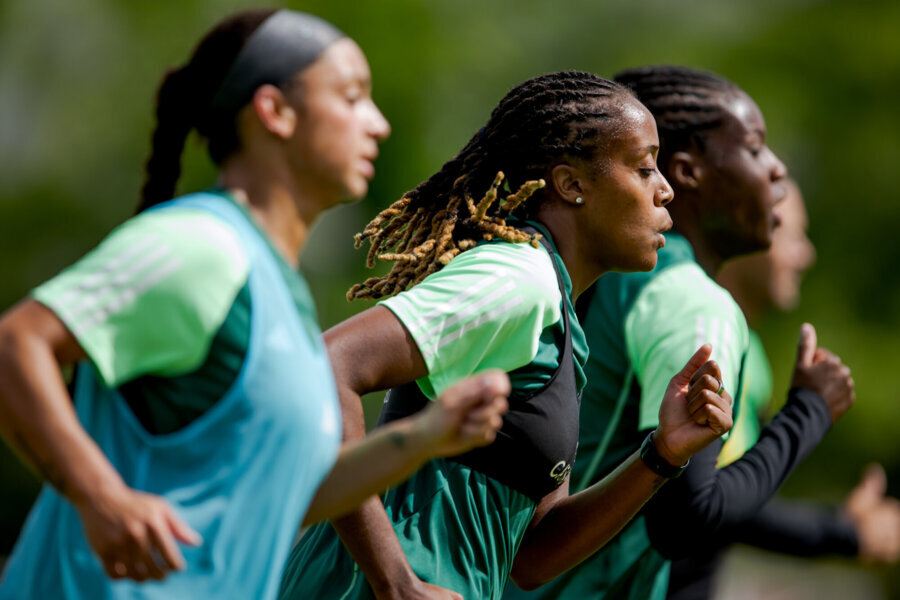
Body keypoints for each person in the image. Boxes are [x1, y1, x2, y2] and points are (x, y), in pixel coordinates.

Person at [0, 9, 512, 599]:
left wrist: (425, 436)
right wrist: (102, 496)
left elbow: (290, 493)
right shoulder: (203, 246)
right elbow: (20, 343)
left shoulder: (278, 290)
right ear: (274, 111)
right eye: (350, 98)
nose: (378, 124)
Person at [278, 70, 734, 600]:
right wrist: (395, 580)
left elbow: (534, 557)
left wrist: (661, 454)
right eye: (644, 167)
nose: (666, 189)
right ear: (571, 184)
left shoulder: (557, 317)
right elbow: (329, 365)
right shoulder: (518, 278)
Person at [503, 65, 856, 600]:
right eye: (756, 148)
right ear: (689, 172)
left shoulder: (620, 276)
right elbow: (686, 519)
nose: (778, 170)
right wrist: (808, 413)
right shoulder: (691, 301)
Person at [696, 178, 900, 597]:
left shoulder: (751, 353)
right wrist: (842, 533)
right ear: (739, 231)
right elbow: (703, 504)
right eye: (789, 235)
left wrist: (839, 521)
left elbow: (736, 495)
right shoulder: (705, 342)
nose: (806, 255)